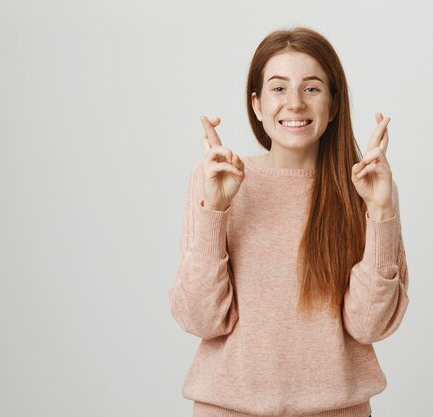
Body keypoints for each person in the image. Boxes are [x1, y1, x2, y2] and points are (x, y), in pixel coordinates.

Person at [168, 26, 409, 417]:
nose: (294, 103)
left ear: (332, 104)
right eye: (278, 88)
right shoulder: (217, 178)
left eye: (311, 88)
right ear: (257, 105)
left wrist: (380, 212)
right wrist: (214, 212)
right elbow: (201, 318)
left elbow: (370, 326)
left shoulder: (364, 187)